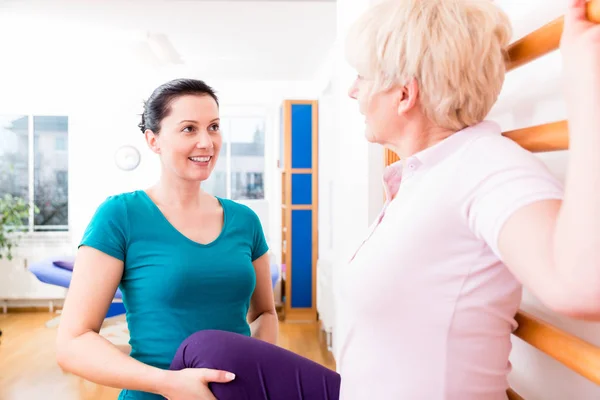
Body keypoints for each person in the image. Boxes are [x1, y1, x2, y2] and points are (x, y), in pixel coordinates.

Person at [334, 0, 600, 399]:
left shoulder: (482, 164)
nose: (353, 90)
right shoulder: (425, 172)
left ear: (405, 94)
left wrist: (586, 88)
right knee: (214, 352)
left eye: (362, 76)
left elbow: (577, 285)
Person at [55, 79, 280, 399]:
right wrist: (169, 383)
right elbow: (72, 343)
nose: (207, 142)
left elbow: (265, 314)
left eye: (214, 127)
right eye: (189, 129)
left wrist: (255, 369)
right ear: (153, 140)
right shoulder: (119, 216)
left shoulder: (245, 220)